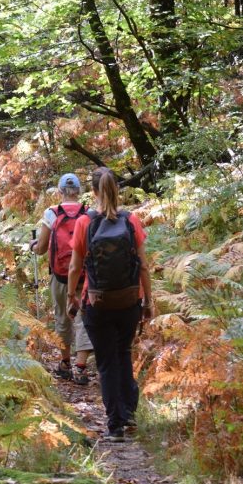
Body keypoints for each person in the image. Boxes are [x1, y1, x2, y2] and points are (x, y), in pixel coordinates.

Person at [67, 167, 153, 443]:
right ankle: (129, 414)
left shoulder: (85, 222)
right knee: (123, 353)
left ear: (93, 191)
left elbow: (74, 267)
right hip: (130, 299)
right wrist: (148, 300)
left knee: (106, 361)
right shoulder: (131, 220)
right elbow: (143, 266)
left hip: (97, 302)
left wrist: (71, 296)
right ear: (117, 188)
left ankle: (115, 425)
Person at [30, 173, 94, 385]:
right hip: (85, 274)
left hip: (60, 276)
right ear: (79, 191)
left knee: (62, 317)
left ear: (60, 191)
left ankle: (65, 363)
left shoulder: (52, 213)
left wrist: (33, 246)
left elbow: (41, 248)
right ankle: (81, 367)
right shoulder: (89, 213)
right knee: (83, 317)